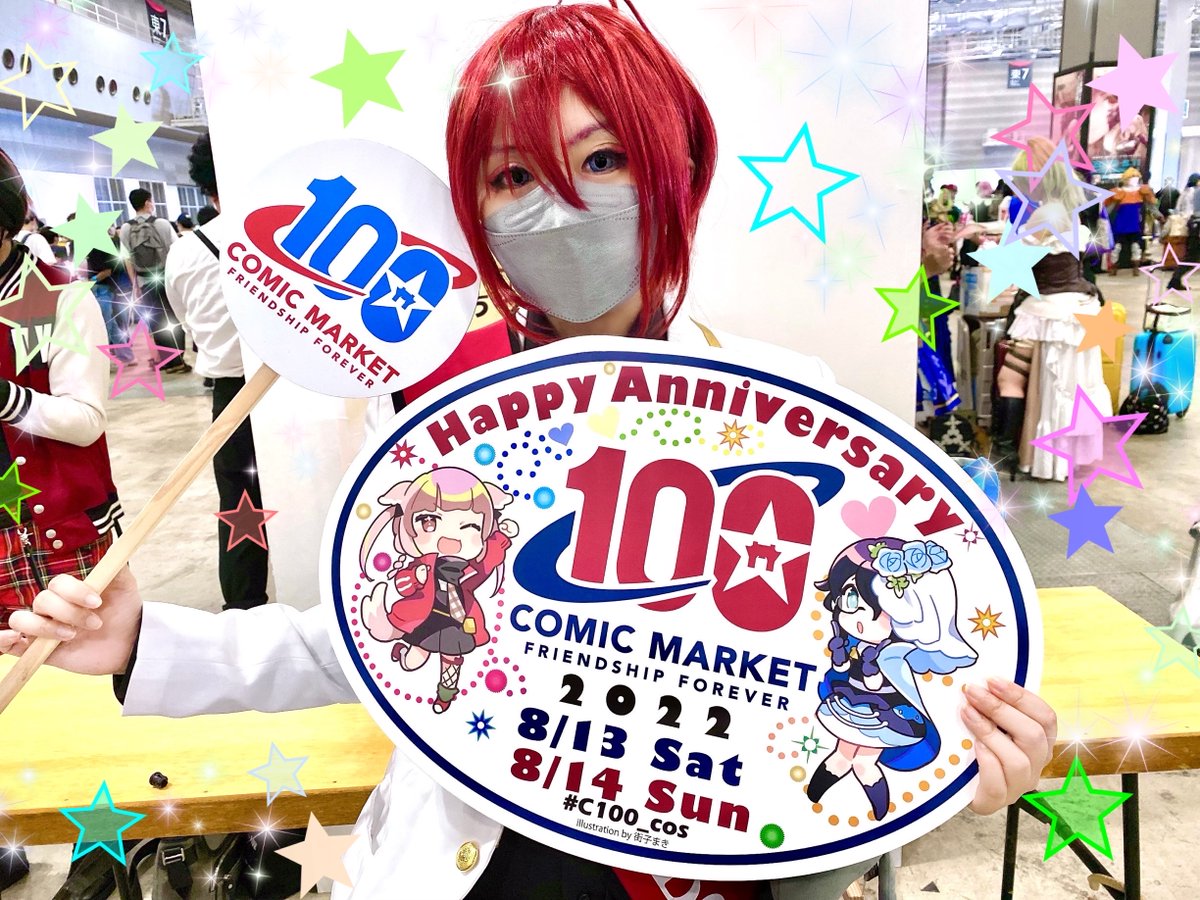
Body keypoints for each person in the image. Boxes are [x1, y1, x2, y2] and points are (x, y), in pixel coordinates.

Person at [1, 5, 1057, 899]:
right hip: (475, 866)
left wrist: (952, 763)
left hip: (698, 867)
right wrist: (148, 642)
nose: (561, 206)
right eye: (513, 176)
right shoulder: (443, 404)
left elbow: (833, 689)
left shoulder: (791, 415)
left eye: (603, 159)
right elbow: (378, 641)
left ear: (676, 169)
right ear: (474, 205)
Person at [0, 147, 124, 890]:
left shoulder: (60, 297)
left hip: (59, 526)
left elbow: (85, 420)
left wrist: (7, 398)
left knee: (82, 685)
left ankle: (100, 846)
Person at [164, 132, 269, 611]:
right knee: (322, 495)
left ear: (207, 189)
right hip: (300, 394)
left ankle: (243, 612)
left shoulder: (185, 252)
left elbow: (186, 320)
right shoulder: (293, 232)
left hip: (230, 399)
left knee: (241, 511)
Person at [995, 136, 1110, 481]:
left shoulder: (1047, 212)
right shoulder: (1063, 209)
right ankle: (1039, 456)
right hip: (1071, 309)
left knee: (1015, 379)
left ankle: (1006, 454)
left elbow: (1015, 256)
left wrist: (977, 238)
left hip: (1050, 312)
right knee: (1063, 387)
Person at [118, 188, 189, 372]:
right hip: (166, 279)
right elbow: (177, 251)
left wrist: (135, 284)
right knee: (173, 317)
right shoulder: (163, 223)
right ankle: (178, 360)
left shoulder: (125, 228)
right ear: (148, 203)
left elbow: (127, 259)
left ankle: (167, 360)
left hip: (144, 281)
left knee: (155, 320)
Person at [1106, 168, 1156, 274]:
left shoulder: (1142, 191)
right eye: (1132, 178)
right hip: (1121, 223)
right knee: (1117, 246)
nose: (1134, 180)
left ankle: (1135, 267)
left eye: (1136, 177)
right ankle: (1114, 267)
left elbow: (1150, 206)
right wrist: (1102, 216)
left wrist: (1159, 215)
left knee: (1136, 246)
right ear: (1126, 179)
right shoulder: (1118, 192)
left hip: (1135, 223)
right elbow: (1110, 208)